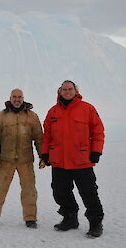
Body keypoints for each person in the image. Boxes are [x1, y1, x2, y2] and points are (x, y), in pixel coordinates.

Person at [40, 80, 105, 238]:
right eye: (64, 89)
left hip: (82, 160)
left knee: (89, 193)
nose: (67, 91)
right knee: (60, 192)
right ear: (60, 91)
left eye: (70, 89)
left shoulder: (87, 109)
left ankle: (95, 223)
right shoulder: (53, 112)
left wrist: (96, 151)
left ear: (76, 91)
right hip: (59, 161)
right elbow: (47, 135)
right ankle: (70, 218)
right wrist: (45, 154)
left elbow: (98, 131)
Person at [0, 88, 43, 228]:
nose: (17, 99)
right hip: (5, 160)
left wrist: (43, 156)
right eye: (14, 97)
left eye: (19, 97)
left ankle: (30, 218)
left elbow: (39, 138)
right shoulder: (1, 116)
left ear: (23, 98)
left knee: (29, 191)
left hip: (26, 161)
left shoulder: (32, 116)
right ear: (10, 98)